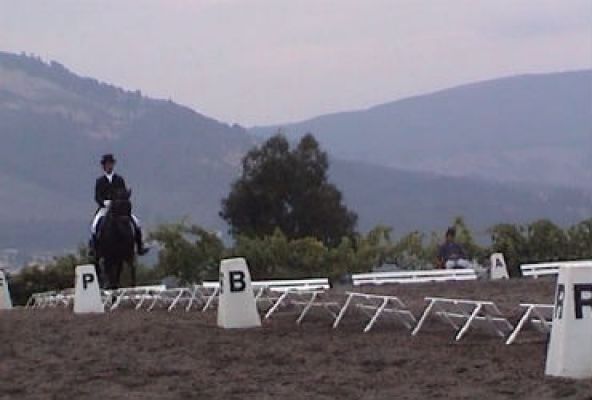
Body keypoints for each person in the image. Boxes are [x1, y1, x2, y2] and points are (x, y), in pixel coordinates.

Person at [90, 154, 149, 256]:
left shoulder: (119, 179)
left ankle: (140, 246)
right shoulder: (100, 181)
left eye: (111, 164)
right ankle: (94, 249)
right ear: (104, 166)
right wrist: (104, 202)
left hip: (119, 209)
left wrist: (120, 201)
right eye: (107, 164)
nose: (109, 166)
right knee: (94, 226)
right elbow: (97, 196)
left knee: (136, 222)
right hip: (105, 208)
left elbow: (124, 193)